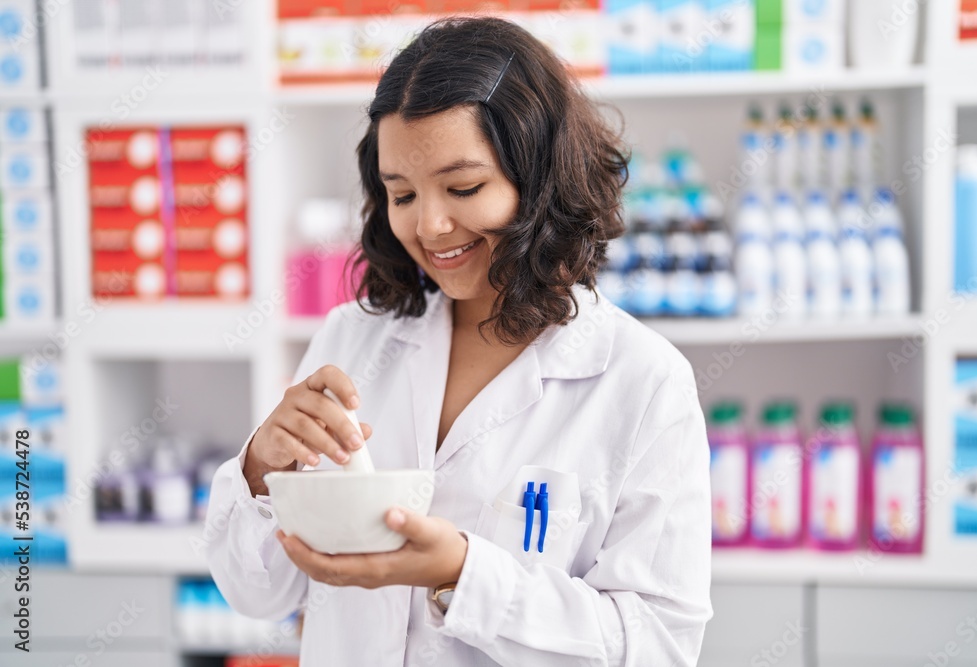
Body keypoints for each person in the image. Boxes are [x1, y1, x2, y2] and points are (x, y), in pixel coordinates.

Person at [205, 15, 712, 666]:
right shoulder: (351, 339)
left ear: (540, 176)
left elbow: (658, 645)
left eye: (464, 187)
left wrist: (462, 575)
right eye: (403, 193)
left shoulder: (642, 382)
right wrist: (259, 470)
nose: (431, 225)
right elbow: (257, 592)